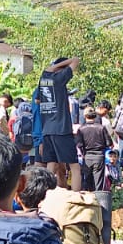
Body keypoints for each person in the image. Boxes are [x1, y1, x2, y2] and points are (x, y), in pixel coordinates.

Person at [33, 56, 80, 190]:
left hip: (47, 130)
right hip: (62, 129)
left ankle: (43, 195)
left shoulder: (43, 79)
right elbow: (75, 60)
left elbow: (37, 101)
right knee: (74, 166)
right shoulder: (59, 79)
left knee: (51, 164)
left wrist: (52, 67)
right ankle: (76, 198)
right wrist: (60, 67)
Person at [75, 107, 112, 193]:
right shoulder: (101, 128)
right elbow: (108, 143)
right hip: (99, 156)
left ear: (85, 116)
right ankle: (98, 200)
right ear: (95, 116)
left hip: (87, 156)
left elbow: (79, 144)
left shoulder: (81, 129)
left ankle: (89, 200)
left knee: (87, 181)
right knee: (98, 182)